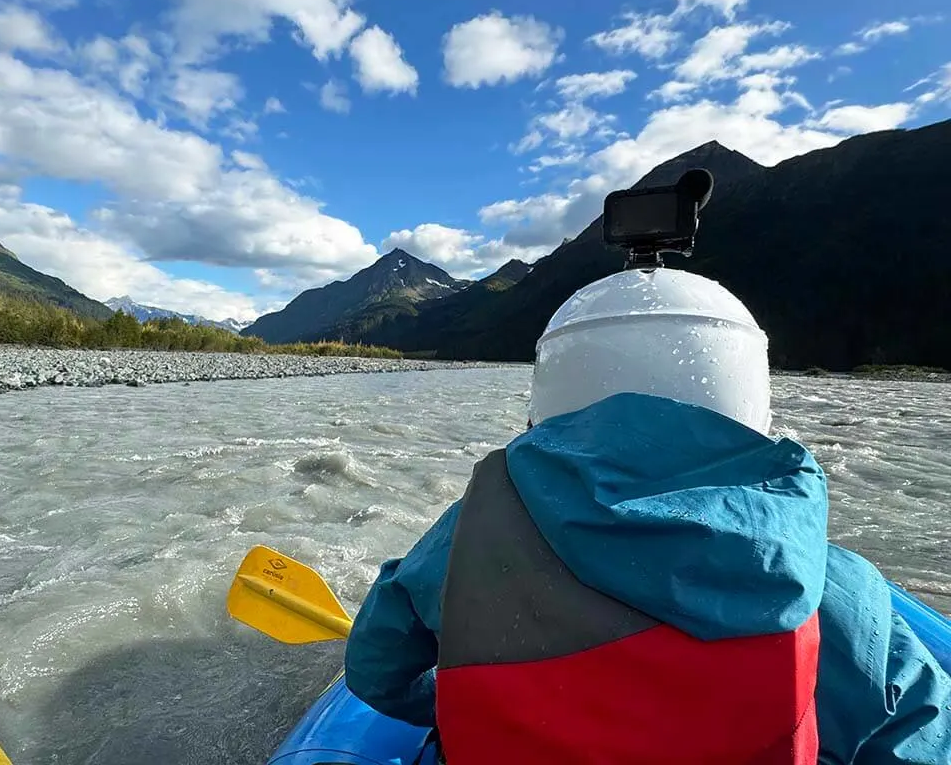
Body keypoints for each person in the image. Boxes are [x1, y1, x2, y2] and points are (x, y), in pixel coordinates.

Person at [343, 264, 951, 764]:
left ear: (547, 407)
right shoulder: (842, 591)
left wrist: (450, 706)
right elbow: (918, 744)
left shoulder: (465, 541)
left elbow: (377, 671)